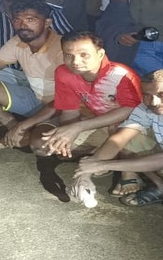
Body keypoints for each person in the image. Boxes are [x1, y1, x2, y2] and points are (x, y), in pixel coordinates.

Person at [12, 31, 147, 197]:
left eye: (84, 55)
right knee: (45, 146)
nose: (75, 62)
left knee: (118, 126)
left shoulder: (120, 75)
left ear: (100, 54)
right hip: (96, 121)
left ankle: (129, 173)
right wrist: (67, 136)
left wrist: (78, 127)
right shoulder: (64, 72)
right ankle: (103, 158)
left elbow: (130, 109)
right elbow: (69, 110)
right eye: (69, 55)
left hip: (131, 125)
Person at [73, 70, 163, 218]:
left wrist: (102, 165)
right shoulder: (147, 108)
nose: (154, 102)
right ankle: (162, 187)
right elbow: (119, 139)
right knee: (127, 136)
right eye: (147, 95)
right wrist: (84, 175)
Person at [0, 0, 65, 150]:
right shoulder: (18, 41)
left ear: (47, 22)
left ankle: (18, 136)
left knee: (41, 145)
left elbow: (68, 99)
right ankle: (15, 131)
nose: (23, 25)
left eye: (30, 20)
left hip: (59, 107)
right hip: (35, 99)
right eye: (17, 20)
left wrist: (25, 125)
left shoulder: (62, 48)